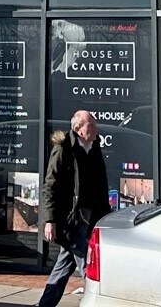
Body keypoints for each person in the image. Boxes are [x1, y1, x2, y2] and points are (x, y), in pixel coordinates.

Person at [37, 109, 109, 307]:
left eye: (95, 125)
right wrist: (49, 220)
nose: (95, 130)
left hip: (90, 218)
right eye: (91, 126)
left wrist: (106, 215)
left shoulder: (94, 147)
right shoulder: (63, 149)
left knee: (63, 266)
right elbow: (50, 186)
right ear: (78, 128)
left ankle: (45, 304)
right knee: (89, 267)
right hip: (71, 220)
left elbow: (100, 184)